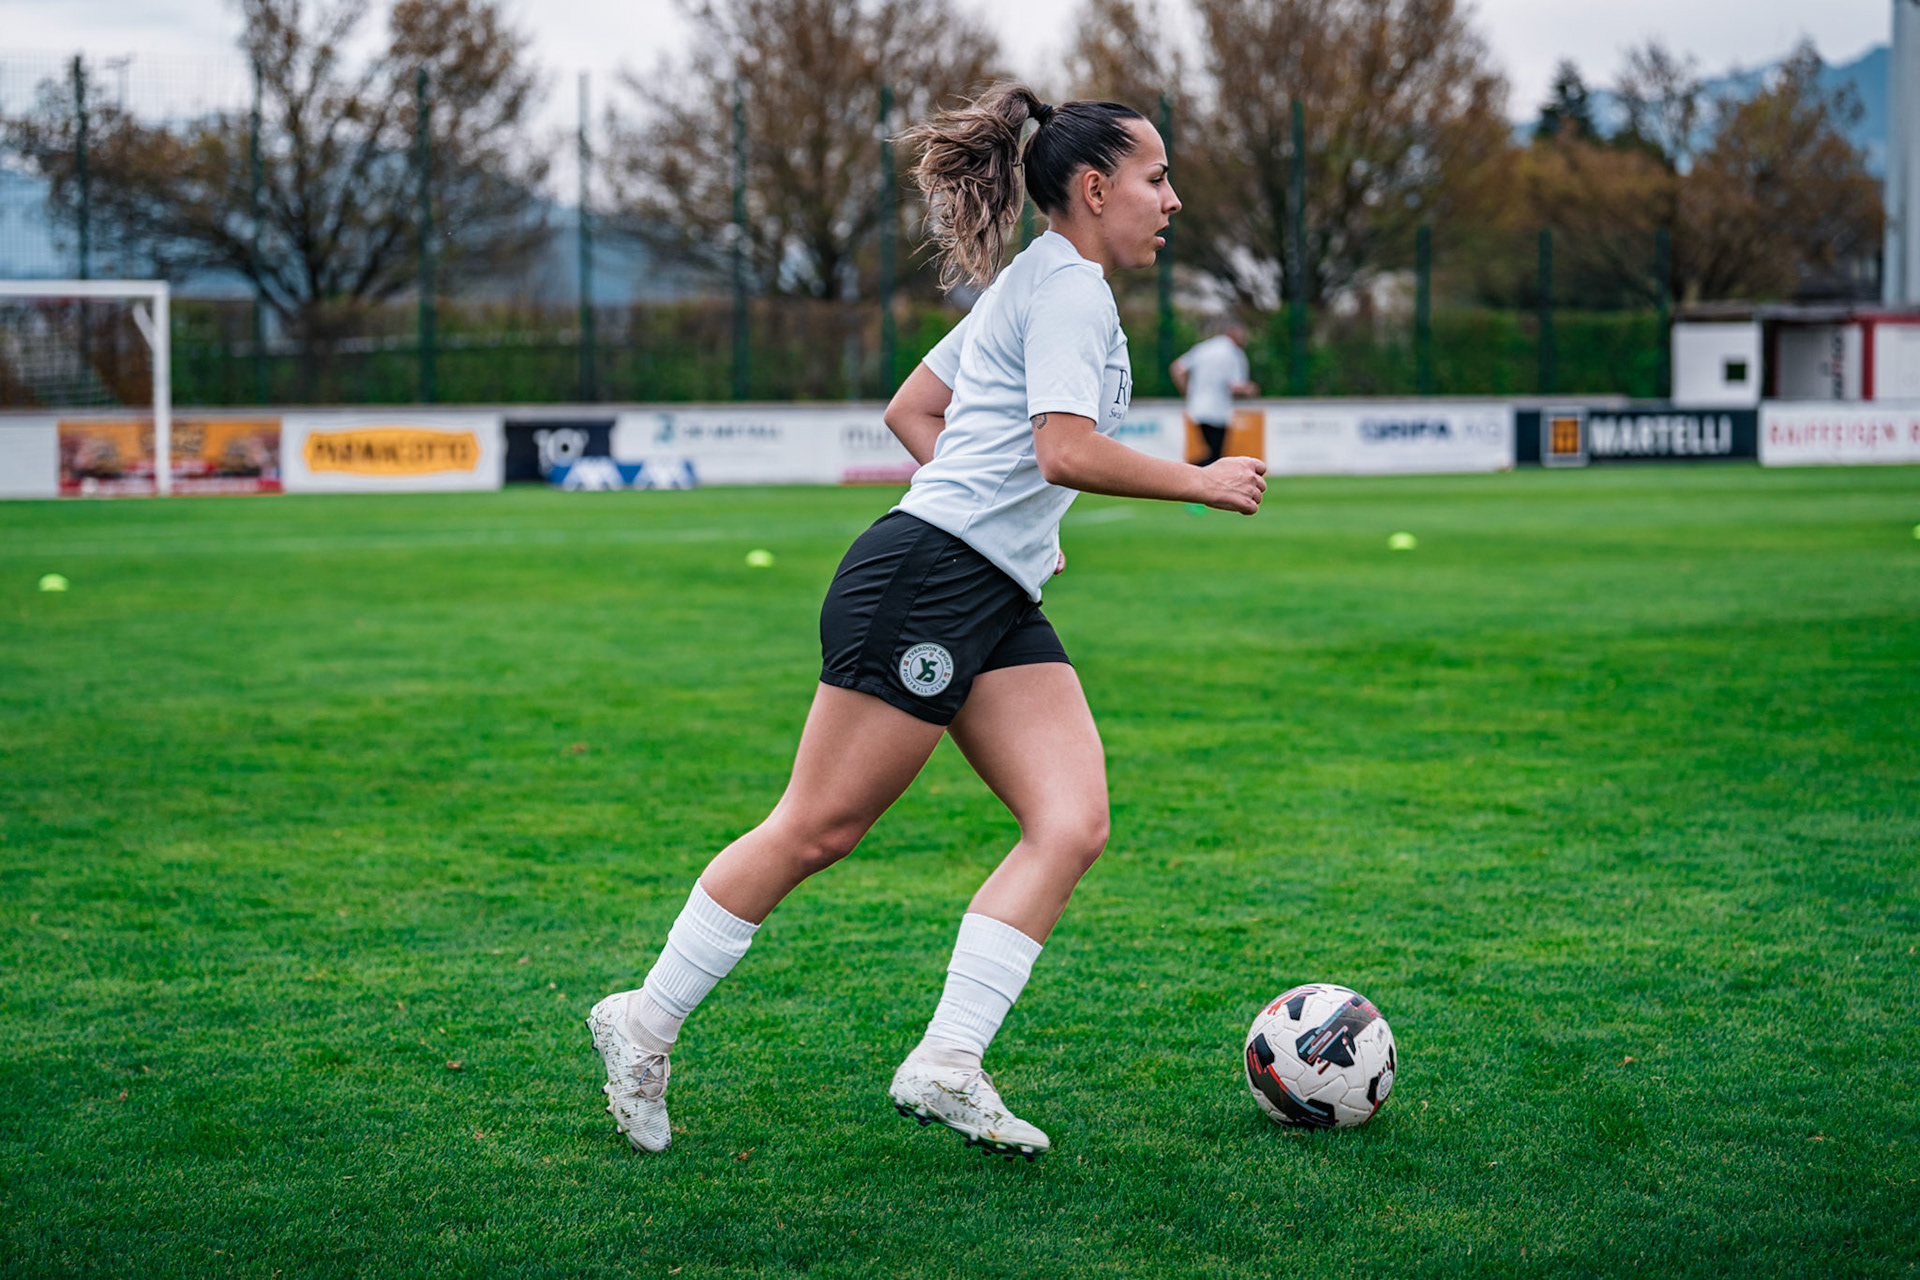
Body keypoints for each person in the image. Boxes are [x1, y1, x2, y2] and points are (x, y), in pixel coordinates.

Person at [587, 83, 1267, 1163]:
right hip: (929, 581)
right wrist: (1200, 481)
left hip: (988, 590)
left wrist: (994, 519)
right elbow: (1061, 449)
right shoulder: (1069, 292)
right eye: (1157, 177)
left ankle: (949, 1060)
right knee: (818, 826)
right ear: (1096, 189)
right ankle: (643, 1021)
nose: (1171, 199)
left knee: (1072, 819)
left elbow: (913, 410)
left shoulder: (1037, 281)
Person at [1171, 322, 1258, 465]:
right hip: (1218, 411)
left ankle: (1187, 473)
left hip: (1197, 408)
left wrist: (1187, 394)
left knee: (1212, 455)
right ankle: (1183, 473)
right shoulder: (1234, 353)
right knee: (1215, 459)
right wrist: (1249, 389)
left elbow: (1177, 368)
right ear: (1235, 334)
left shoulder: (1203, 348)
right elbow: (1234, 385)